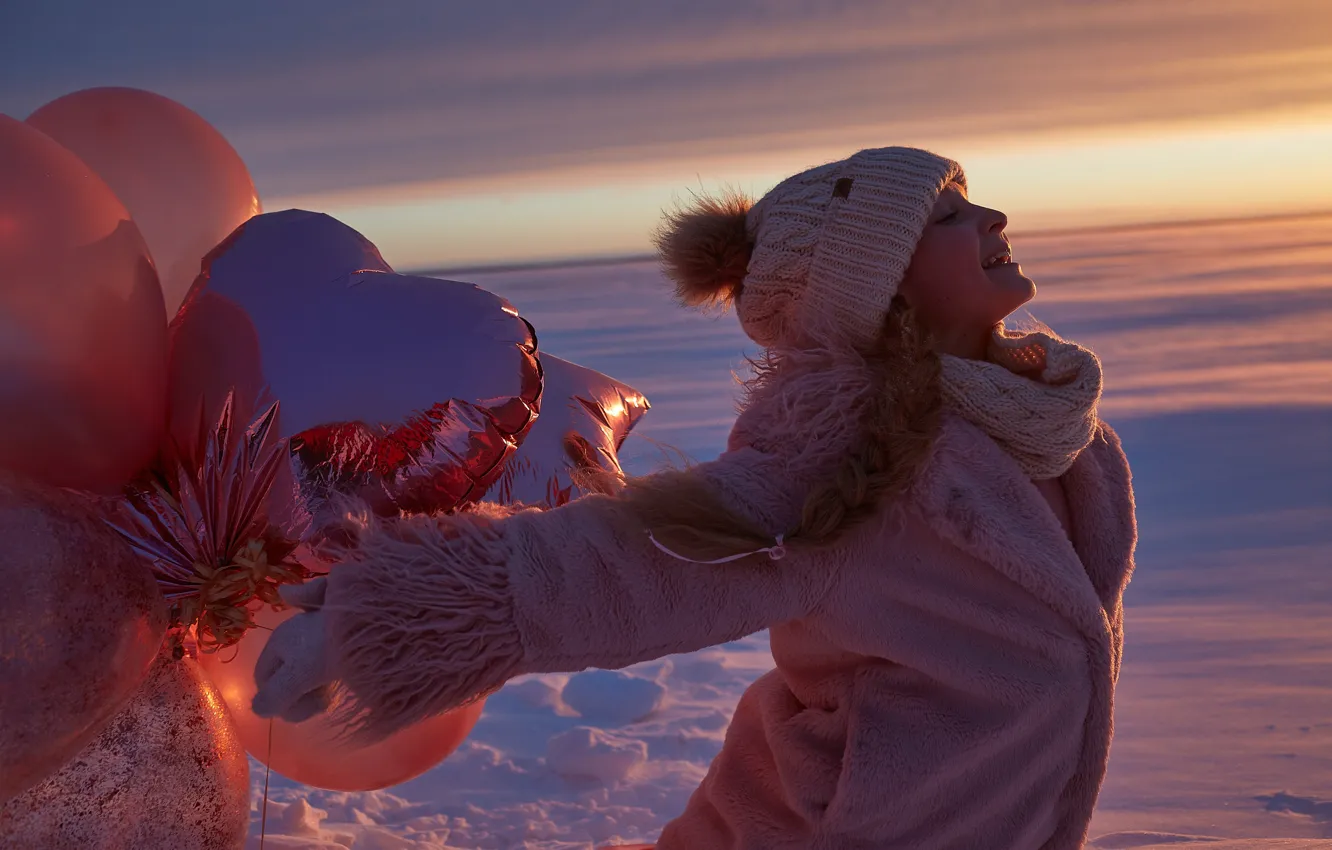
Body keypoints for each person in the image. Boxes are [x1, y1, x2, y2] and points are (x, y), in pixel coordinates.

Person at [251, 147, 1138, 850]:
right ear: (879, 284)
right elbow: (636, 560)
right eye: (946, 213)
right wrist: (390, 610)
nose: (991, 216)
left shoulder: (1048, 427)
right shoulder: (844, 459)